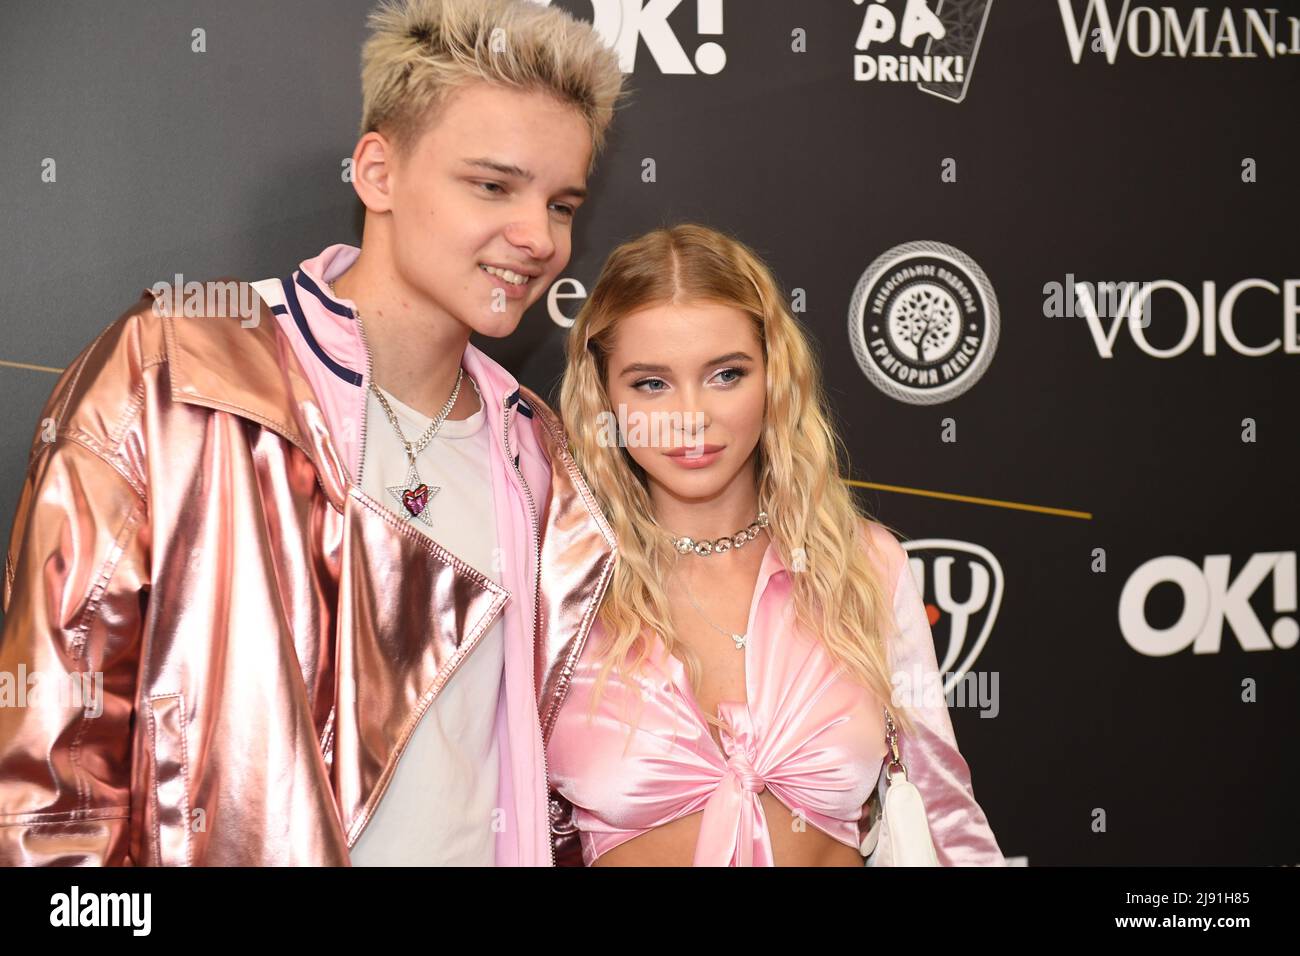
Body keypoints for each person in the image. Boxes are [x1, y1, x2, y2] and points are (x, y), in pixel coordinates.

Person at [0, 0, 624, 866]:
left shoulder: (535, 453)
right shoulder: (182, 370)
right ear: (377, 172)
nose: (537, 238)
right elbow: (53, 756)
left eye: (562, 204)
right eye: (492, 185)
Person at [545, 223, 1006, 866]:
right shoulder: (560, 584)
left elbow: (943, 812)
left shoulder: (865, 567)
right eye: (651, 383)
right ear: (605, 396)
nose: (691, 415)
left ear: (774, 379)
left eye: (726, 374)